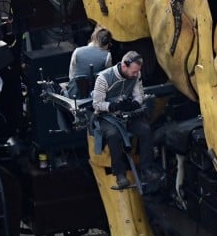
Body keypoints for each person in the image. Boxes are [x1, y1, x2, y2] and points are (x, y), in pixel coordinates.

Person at [91, 51, 158, 189]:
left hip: (126, 114)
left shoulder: (136, 74)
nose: (135, 75)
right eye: (133, 71)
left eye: (137, 72)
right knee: (113, 135)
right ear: (124, 65)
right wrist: (112, 106)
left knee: (145, 130)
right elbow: (97, 104)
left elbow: (139, 96)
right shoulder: (103, 78)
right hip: (107, 116)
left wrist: (133, 104)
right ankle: (120, 174)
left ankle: (146, 169)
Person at [67, 26, 112, 98]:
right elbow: (108, 78)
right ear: (107, 43)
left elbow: (71, 74)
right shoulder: (107, 56)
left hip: (75, 92)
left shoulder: (77, 51)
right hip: (96, 94)